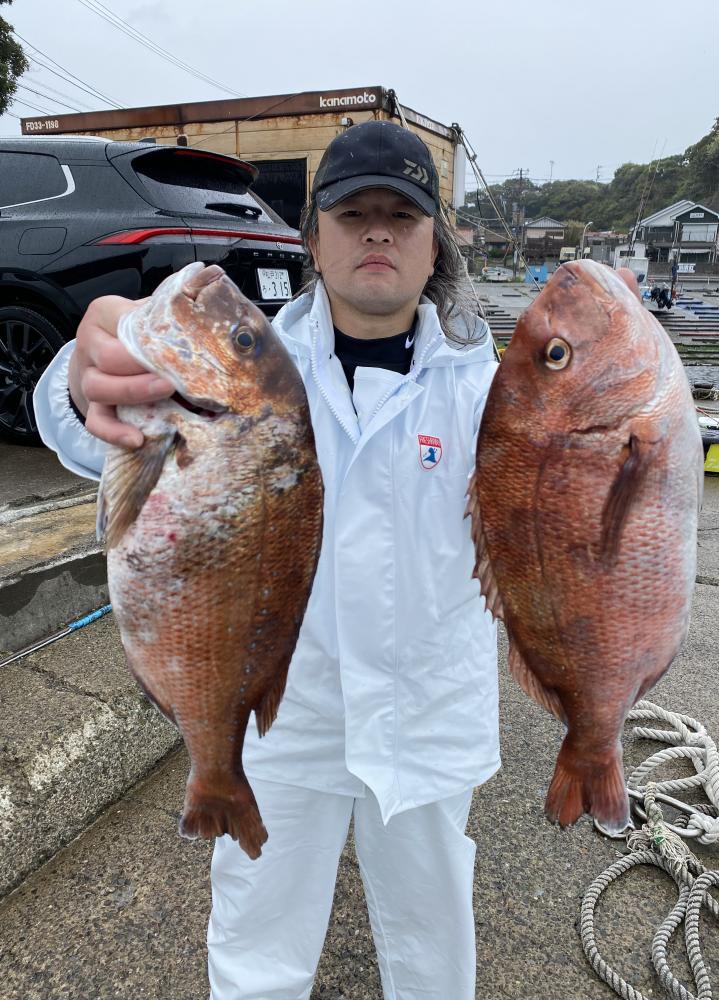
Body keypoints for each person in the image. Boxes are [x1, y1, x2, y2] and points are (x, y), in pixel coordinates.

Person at [34, 120, 501, 1000]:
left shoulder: (488, 390)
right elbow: (81, 435)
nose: (376, 233)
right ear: (312, 241)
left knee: (435, 946)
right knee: (258, 951)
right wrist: (81, 370)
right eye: (351, 214)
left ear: (434, 244)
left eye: (401, 217)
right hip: (280, 716)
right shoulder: (236, 364)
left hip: (432, 714)